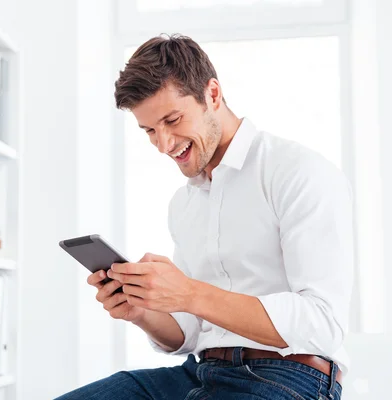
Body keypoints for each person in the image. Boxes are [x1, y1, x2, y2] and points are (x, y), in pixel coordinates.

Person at [56, 34, 353, 400]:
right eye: (149, 130)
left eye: (172, 119)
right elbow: (190, 333)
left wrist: (189, 293)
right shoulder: (185, 204)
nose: (164, 144)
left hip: (289, 375)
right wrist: (141, 311)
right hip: (199, 373)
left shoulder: (297, 171)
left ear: (212, 94)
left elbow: (323, 323)